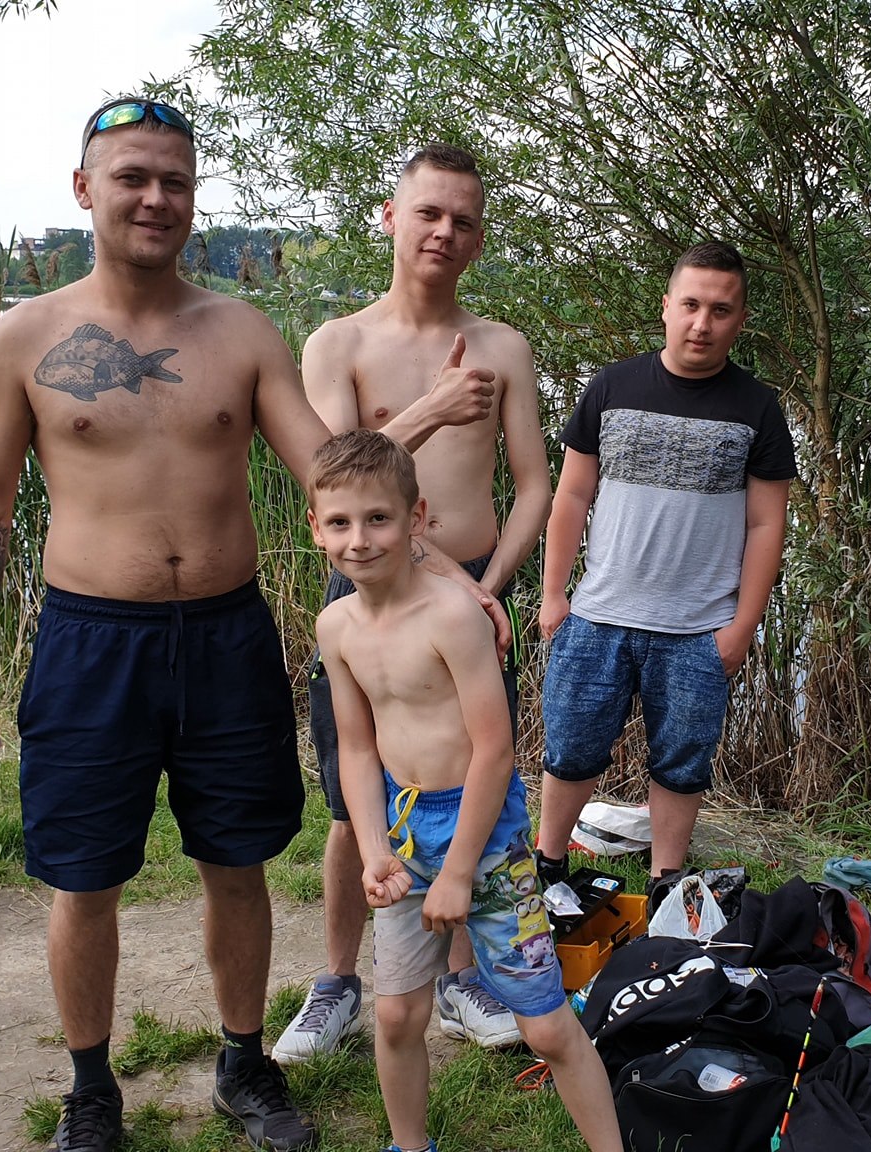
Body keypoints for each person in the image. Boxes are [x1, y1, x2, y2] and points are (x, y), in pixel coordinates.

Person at [0, 97, 326, 1152]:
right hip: (89, 644)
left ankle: (243, 1064)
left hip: (228, 639)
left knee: (237, 863)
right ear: (84, 190)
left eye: (175, 182)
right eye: (133, 178)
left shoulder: (242, 332)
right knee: (84, 878)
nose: (157, 198)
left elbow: (325, 470)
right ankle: (90, 1091)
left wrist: (423, 524)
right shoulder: (25, 337)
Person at [278, 143, 550, 1062]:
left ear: (479, 239)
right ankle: (338, 983)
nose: (444, 231)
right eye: (427, 212)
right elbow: (333, 479)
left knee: (470, 774)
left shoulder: (505, 346)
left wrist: (486, 585)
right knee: (355, 796)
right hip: (369, 590)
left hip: (475, 594)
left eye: (463, 220)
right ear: (391, 217)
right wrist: (432, 408)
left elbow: (535, 483)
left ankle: (463, 978)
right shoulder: (339, 343)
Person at [309, 429, 621, 1152]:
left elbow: (494, 751)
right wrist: (374, 851)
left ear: (416, 518)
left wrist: (456, 874)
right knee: (396, 1017)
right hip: (404, 826)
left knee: (546, 1026)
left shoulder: (453, 615)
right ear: (317, 529)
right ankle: (409, 1146)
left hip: (486, 839)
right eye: (340, 523)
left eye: (379, 518)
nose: (360, 540)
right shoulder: (335, 626)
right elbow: (357, 747)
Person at [535, 241, 796, 892]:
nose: (702, 323)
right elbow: (572, 495)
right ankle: (547, 867)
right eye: (691, 305)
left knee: (682, 764)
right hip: (598, 615)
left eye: (720, 310)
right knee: (571, 749)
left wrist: (743, 626)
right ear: (667, 307)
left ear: (740, 320)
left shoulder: (757, 408)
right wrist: (553, 594)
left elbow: (766, 525)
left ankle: (665, 884)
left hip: (697, 630)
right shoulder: (611, 387)